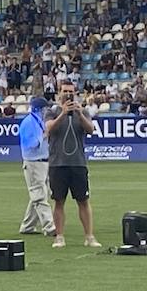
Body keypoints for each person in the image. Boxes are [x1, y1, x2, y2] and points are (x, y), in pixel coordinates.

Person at [45, 80, 101, 249]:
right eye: (65, 91)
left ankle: (89, 236)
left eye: (71, 91)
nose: (68, 94)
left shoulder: (82, 111)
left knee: (83, 200)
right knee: (59, 201)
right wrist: (63, 113)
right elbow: (49, 128)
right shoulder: (52, 111)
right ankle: (59, 236)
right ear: (59, 93)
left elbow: (91, 129)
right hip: (58, 163)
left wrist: (79, 114)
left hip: (78, 163)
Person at [17, 96, 55, 236]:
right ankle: (49, 226)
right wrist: (44, 135)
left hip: (43, 161)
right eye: (45, 108)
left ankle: (27, 226)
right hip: (33, 163)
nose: (47, 110)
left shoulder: (38, 121)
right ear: (39, 109)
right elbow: (30, 144)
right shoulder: (28, 123)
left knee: (37, 194)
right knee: (39, 195)